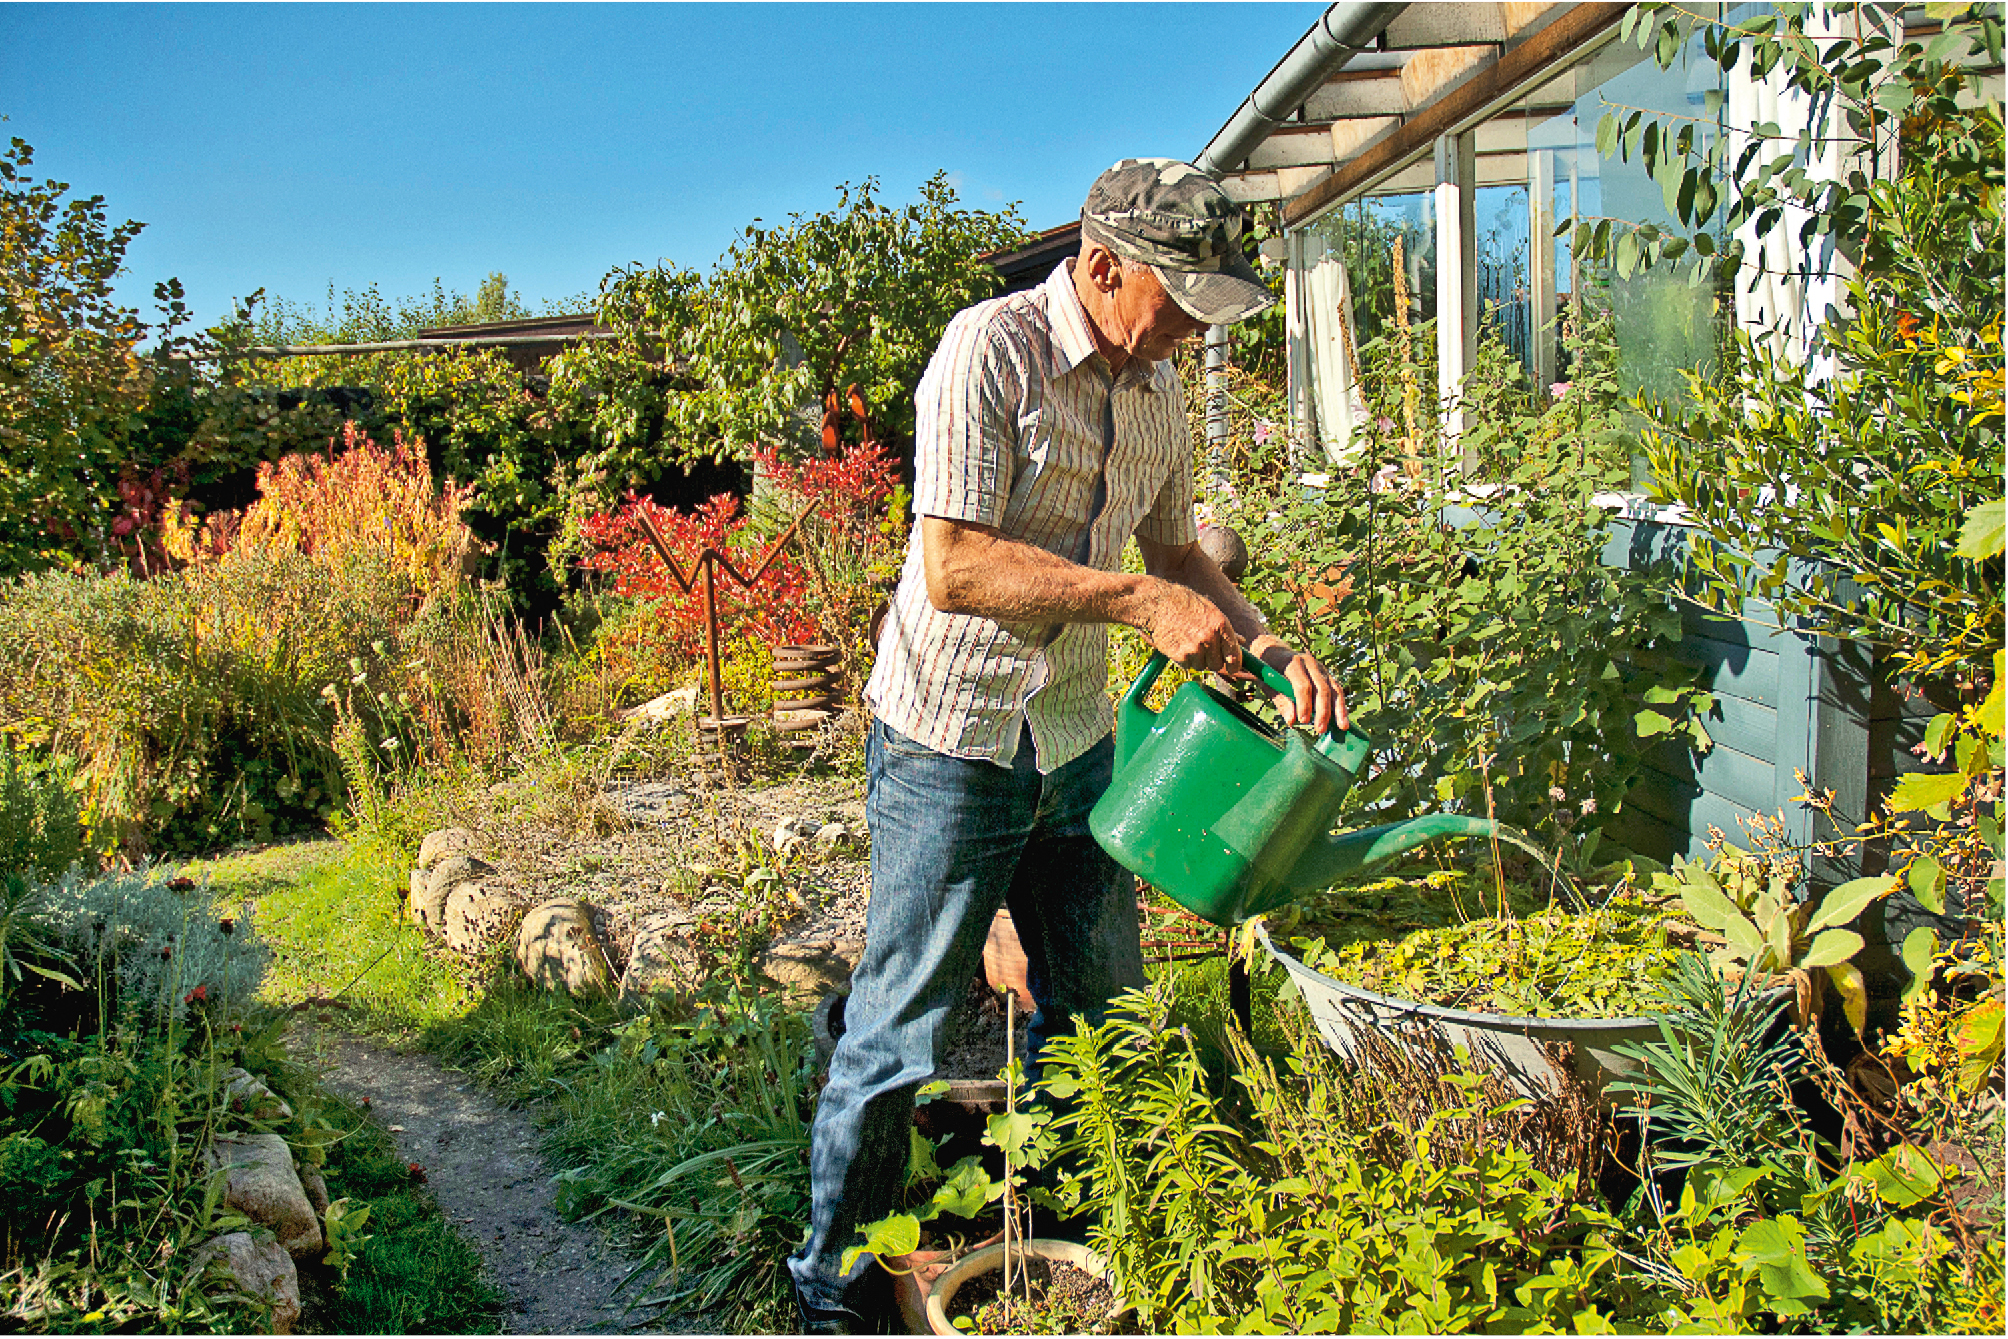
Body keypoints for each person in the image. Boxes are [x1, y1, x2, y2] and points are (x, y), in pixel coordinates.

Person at [787, 158, 1343, 1334]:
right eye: (1180, 300)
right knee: (904, 1028)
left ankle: (1071, 1240)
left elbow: (1181, 551)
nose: (1191, 330)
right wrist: (1136, 604)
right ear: (1100, 266)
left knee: (1097, 1008)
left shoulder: (1153, 387)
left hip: (1077, 739)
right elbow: (955, 564)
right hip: (955, 737)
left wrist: (1270, 641)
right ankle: (831, 1296)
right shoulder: (986, 354)